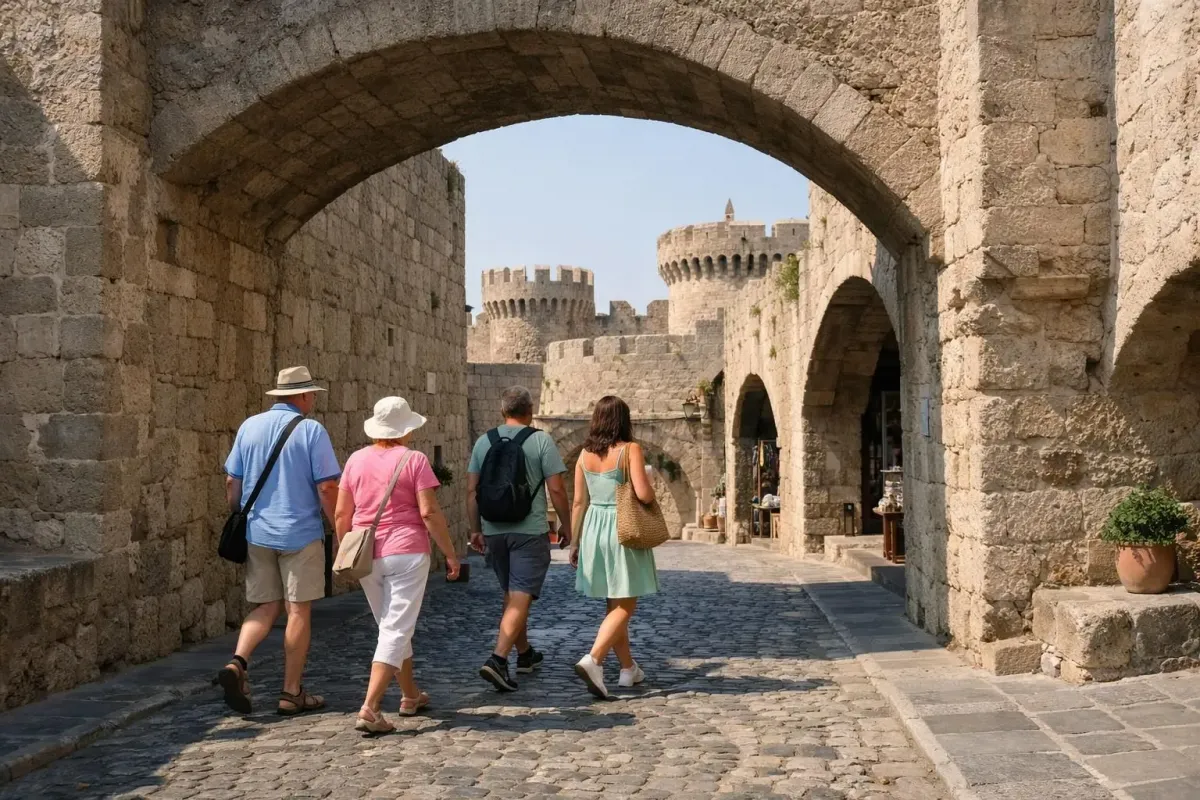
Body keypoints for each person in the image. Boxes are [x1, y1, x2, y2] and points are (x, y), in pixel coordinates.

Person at [217, 366, 341, 716]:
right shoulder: (312, 430)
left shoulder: (249, 426)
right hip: (300, 533)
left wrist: (239, 512)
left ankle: (237, 663)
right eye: (312, 394)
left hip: (258, 533)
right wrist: (340, 530)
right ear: (302, 396)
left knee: (264, 606)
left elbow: (232, 481)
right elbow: (327, 487)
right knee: (298, 610)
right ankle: (291, 692)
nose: (313, 400)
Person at [335, 396, 462, 734]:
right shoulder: (414, 460)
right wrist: (450, 553)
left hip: (366, 554)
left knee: (391, 625)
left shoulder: (356, 460)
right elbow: (429, 512)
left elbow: (341, 514)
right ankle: (371, 707)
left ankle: (409, 695)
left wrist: (344, 550)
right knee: (395, 628)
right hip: (406, 551)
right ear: (405, 429)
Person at [466, 386, 572, 692]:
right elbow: (557, 489)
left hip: (494, 530)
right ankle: (498, 659)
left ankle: (524, 655)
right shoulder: (540, 440)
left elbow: (471, 491)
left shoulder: (484, 442)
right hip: (529, 532)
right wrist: (566, 525)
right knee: (520, 596)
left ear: (502, 411)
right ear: (530, 411)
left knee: (513, 597)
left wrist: (476, 529)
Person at [570, 395, 660, 699]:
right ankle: (594, 659)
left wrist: (574, 541)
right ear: (623, 420)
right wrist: (650, 481)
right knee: (626, 605)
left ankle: (627, 669)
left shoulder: (583, 456)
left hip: (594, 528)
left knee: (613, 603)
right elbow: (644, 494)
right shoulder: (630, 450)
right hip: (623, 528)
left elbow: (579, 502)